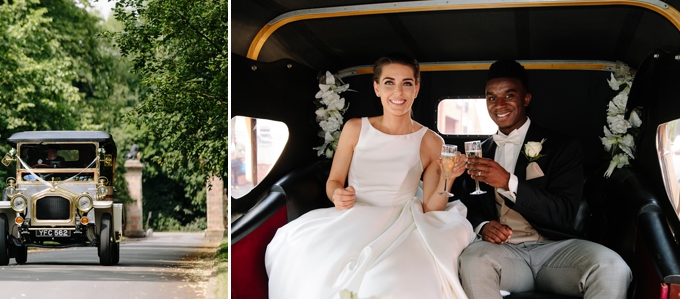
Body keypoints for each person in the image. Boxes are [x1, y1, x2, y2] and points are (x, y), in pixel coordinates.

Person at [264, 53, 475, 299]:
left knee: (393, 280)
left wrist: (449, 177)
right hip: (353, 214)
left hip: (402, 221)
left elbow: (431, 208)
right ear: (377, 88)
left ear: (416, 89)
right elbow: (334, 182)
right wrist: (337, 195)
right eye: (389, 83)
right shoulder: (355, 128)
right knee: (300, 252)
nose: (398, 92)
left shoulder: (431, 141)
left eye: (407, 83)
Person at [458, 59, 631, 298]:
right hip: (506, 254)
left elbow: (563, 213)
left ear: (526, 99)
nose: (499, 105)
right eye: (491, 98)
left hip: (556, 251)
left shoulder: (562, 147)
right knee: (473, 259)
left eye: (509, 95)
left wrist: (509, 182)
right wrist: (483, 225)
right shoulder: (480, 152)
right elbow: (468, 204)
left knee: (613, 267)